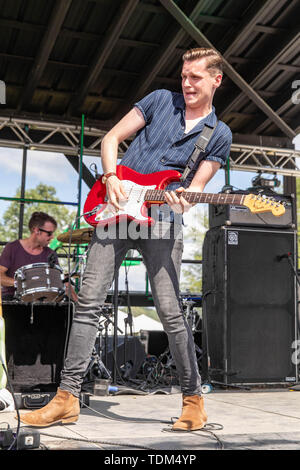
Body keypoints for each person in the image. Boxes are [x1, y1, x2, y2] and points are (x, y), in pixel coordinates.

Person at [18, 47, 232, 430]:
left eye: (195, 77)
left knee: (170, 310)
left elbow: (194, 192)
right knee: (88, 303)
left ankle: (193, 399)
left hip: (163, 218)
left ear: (216, 79)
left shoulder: (219, 134)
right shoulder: (159, 100)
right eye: (183, 76)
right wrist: (113, 176)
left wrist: (179, 202)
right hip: (117, 209)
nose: (186, 84)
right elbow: (112, 138)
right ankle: (66, 398)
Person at [0, 211, 77, 302]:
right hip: (12, 300)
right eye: (49, 233)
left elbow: (60, 279)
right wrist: (20, 283)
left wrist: (78, 303)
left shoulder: (50, 253)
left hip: (43, 301)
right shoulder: (12, 248)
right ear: (36, 230)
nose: (52, 237)